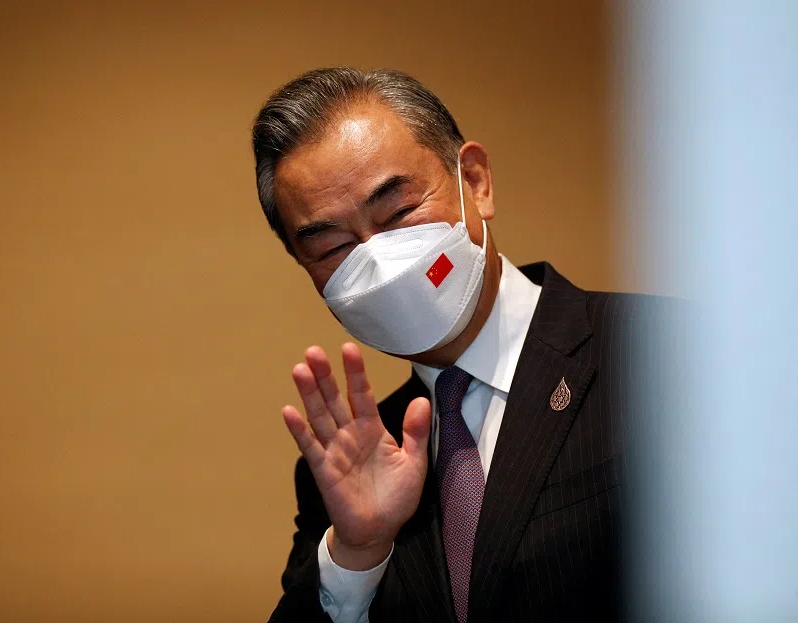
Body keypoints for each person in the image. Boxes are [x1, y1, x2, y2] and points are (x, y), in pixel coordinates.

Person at [252, 67, 656, 622]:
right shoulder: (345, 470)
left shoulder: (662, 351)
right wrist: (358, 555)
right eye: (334, 245)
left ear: (476, 182)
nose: (381, 260)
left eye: (399, 212)